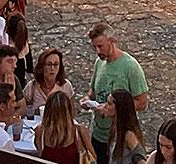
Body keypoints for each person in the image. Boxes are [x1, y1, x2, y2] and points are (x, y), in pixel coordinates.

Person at [86, 22, 149, 164]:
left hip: (119, 136)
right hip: (98, 133)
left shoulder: (130, 67)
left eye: (100, 46)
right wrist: (87, 99)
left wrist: (112, 108)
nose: (97, 51)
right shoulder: (99, 63)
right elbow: (93, 91)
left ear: (112, 41)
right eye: (94, 47)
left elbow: (142, 102)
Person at [35, 91, 96, 164]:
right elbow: (92, 157)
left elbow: (39, 151)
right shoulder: (79, 131)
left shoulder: (40, 131)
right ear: (69, 110)